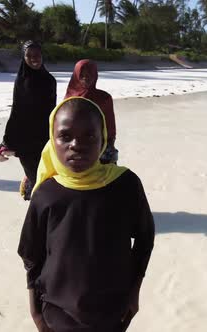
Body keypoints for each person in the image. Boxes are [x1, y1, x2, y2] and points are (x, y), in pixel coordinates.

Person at [17, 97, 155, 332]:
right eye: (65, 136)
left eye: (89, 136)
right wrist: (35, 312)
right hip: (57, 313)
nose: (76, 144)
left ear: (103, 140)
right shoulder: (46, 193)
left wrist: (134, 292)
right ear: (53, 140)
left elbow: (144, 238)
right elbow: (31, 255)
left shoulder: (125, 185)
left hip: (112, 311)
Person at [0, 40, 57, 200]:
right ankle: (37, 207)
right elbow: (17, 111)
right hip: (25, 140)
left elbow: (52, 111)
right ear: (24, 57)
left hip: (45, 138)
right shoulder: (21, 81)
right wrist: (7, 142)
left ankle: (33, 195)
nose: (34, 58)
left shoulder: (50, 81)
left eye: (37, 55)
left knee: (46, 175)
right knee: (36, 178)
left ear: (42, 56)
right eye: (29, 55)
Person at [65, 59, 118, 164]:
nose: (86, 78)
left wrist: (109, 146)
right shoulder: (69, 99)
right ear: (76, 75)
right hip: (75, 148)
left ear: (95, 76)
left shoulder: (104, 98)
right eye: (82, 75)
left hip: (100, 148)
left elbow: (110, 127)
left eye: (90, 74)